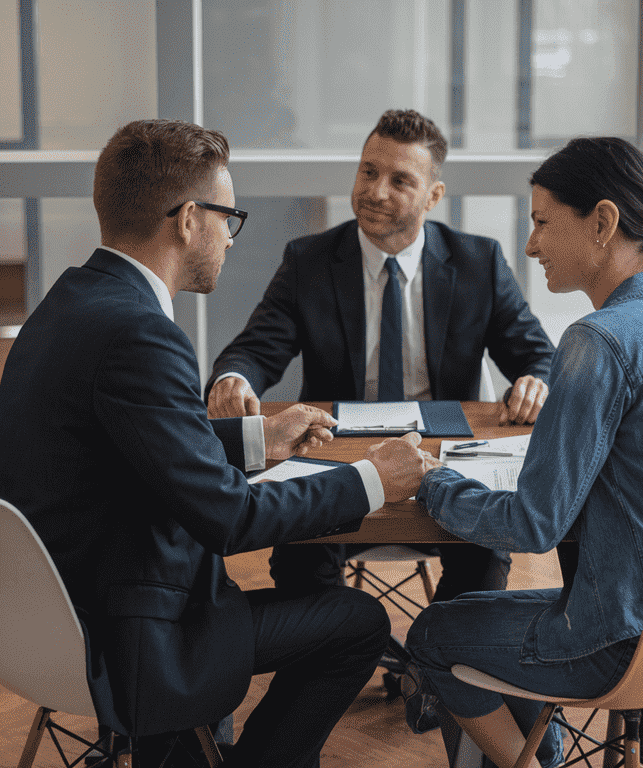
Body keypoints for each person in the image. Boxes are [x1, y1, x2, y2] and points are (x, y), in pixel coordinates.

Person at [0, 119, 431, 768]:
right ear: (189, 220)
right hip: (138, 637)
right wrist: (372, 478)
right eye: (228, 218)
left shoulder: (68, 304)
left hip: (50, 622)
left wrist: (258, 436)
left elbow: (133, 440)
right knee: (357, 622)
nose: (229, 239)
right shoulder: (142, 335)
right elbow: (231, 518)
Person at [397, 137, 643, 768]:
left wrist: (432, 481)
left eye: (541, 222)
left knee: (432, 632)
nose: (530, 244)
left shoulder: (599, 341)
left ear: (603, 221)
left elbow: (534, 526)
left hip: (624, 642)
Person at [205, 108, 555, 602]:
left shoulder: (479, 262)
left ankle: (440, 666)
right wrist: (234, 378)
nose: (375, 191)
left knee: (485, 552)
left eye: (399, 180)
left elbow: (538, 357)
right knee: (299, 552)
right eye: (368, 171)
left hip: (442, 463)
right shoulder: (310, 260)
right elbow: (256, 349)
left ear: (434, 195)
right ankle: (336, 652)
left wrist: (536, 380)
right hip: (338, 461)